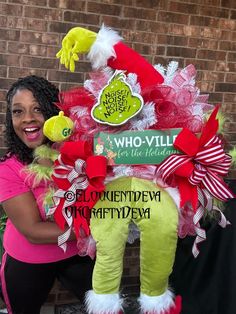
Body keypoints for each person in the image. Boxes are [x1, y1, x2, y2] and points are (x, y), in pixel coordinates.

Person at [0, 75, 94, 314]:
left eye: (38, 109)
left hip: (77, 253)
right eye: (18, 112)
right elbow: (33, 232)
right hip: (28, 258)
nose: (28, 119)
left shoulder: (78, 153)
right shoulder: (7, 169)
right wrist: (98, 230)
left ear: (55, 113)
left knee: (103, 305)